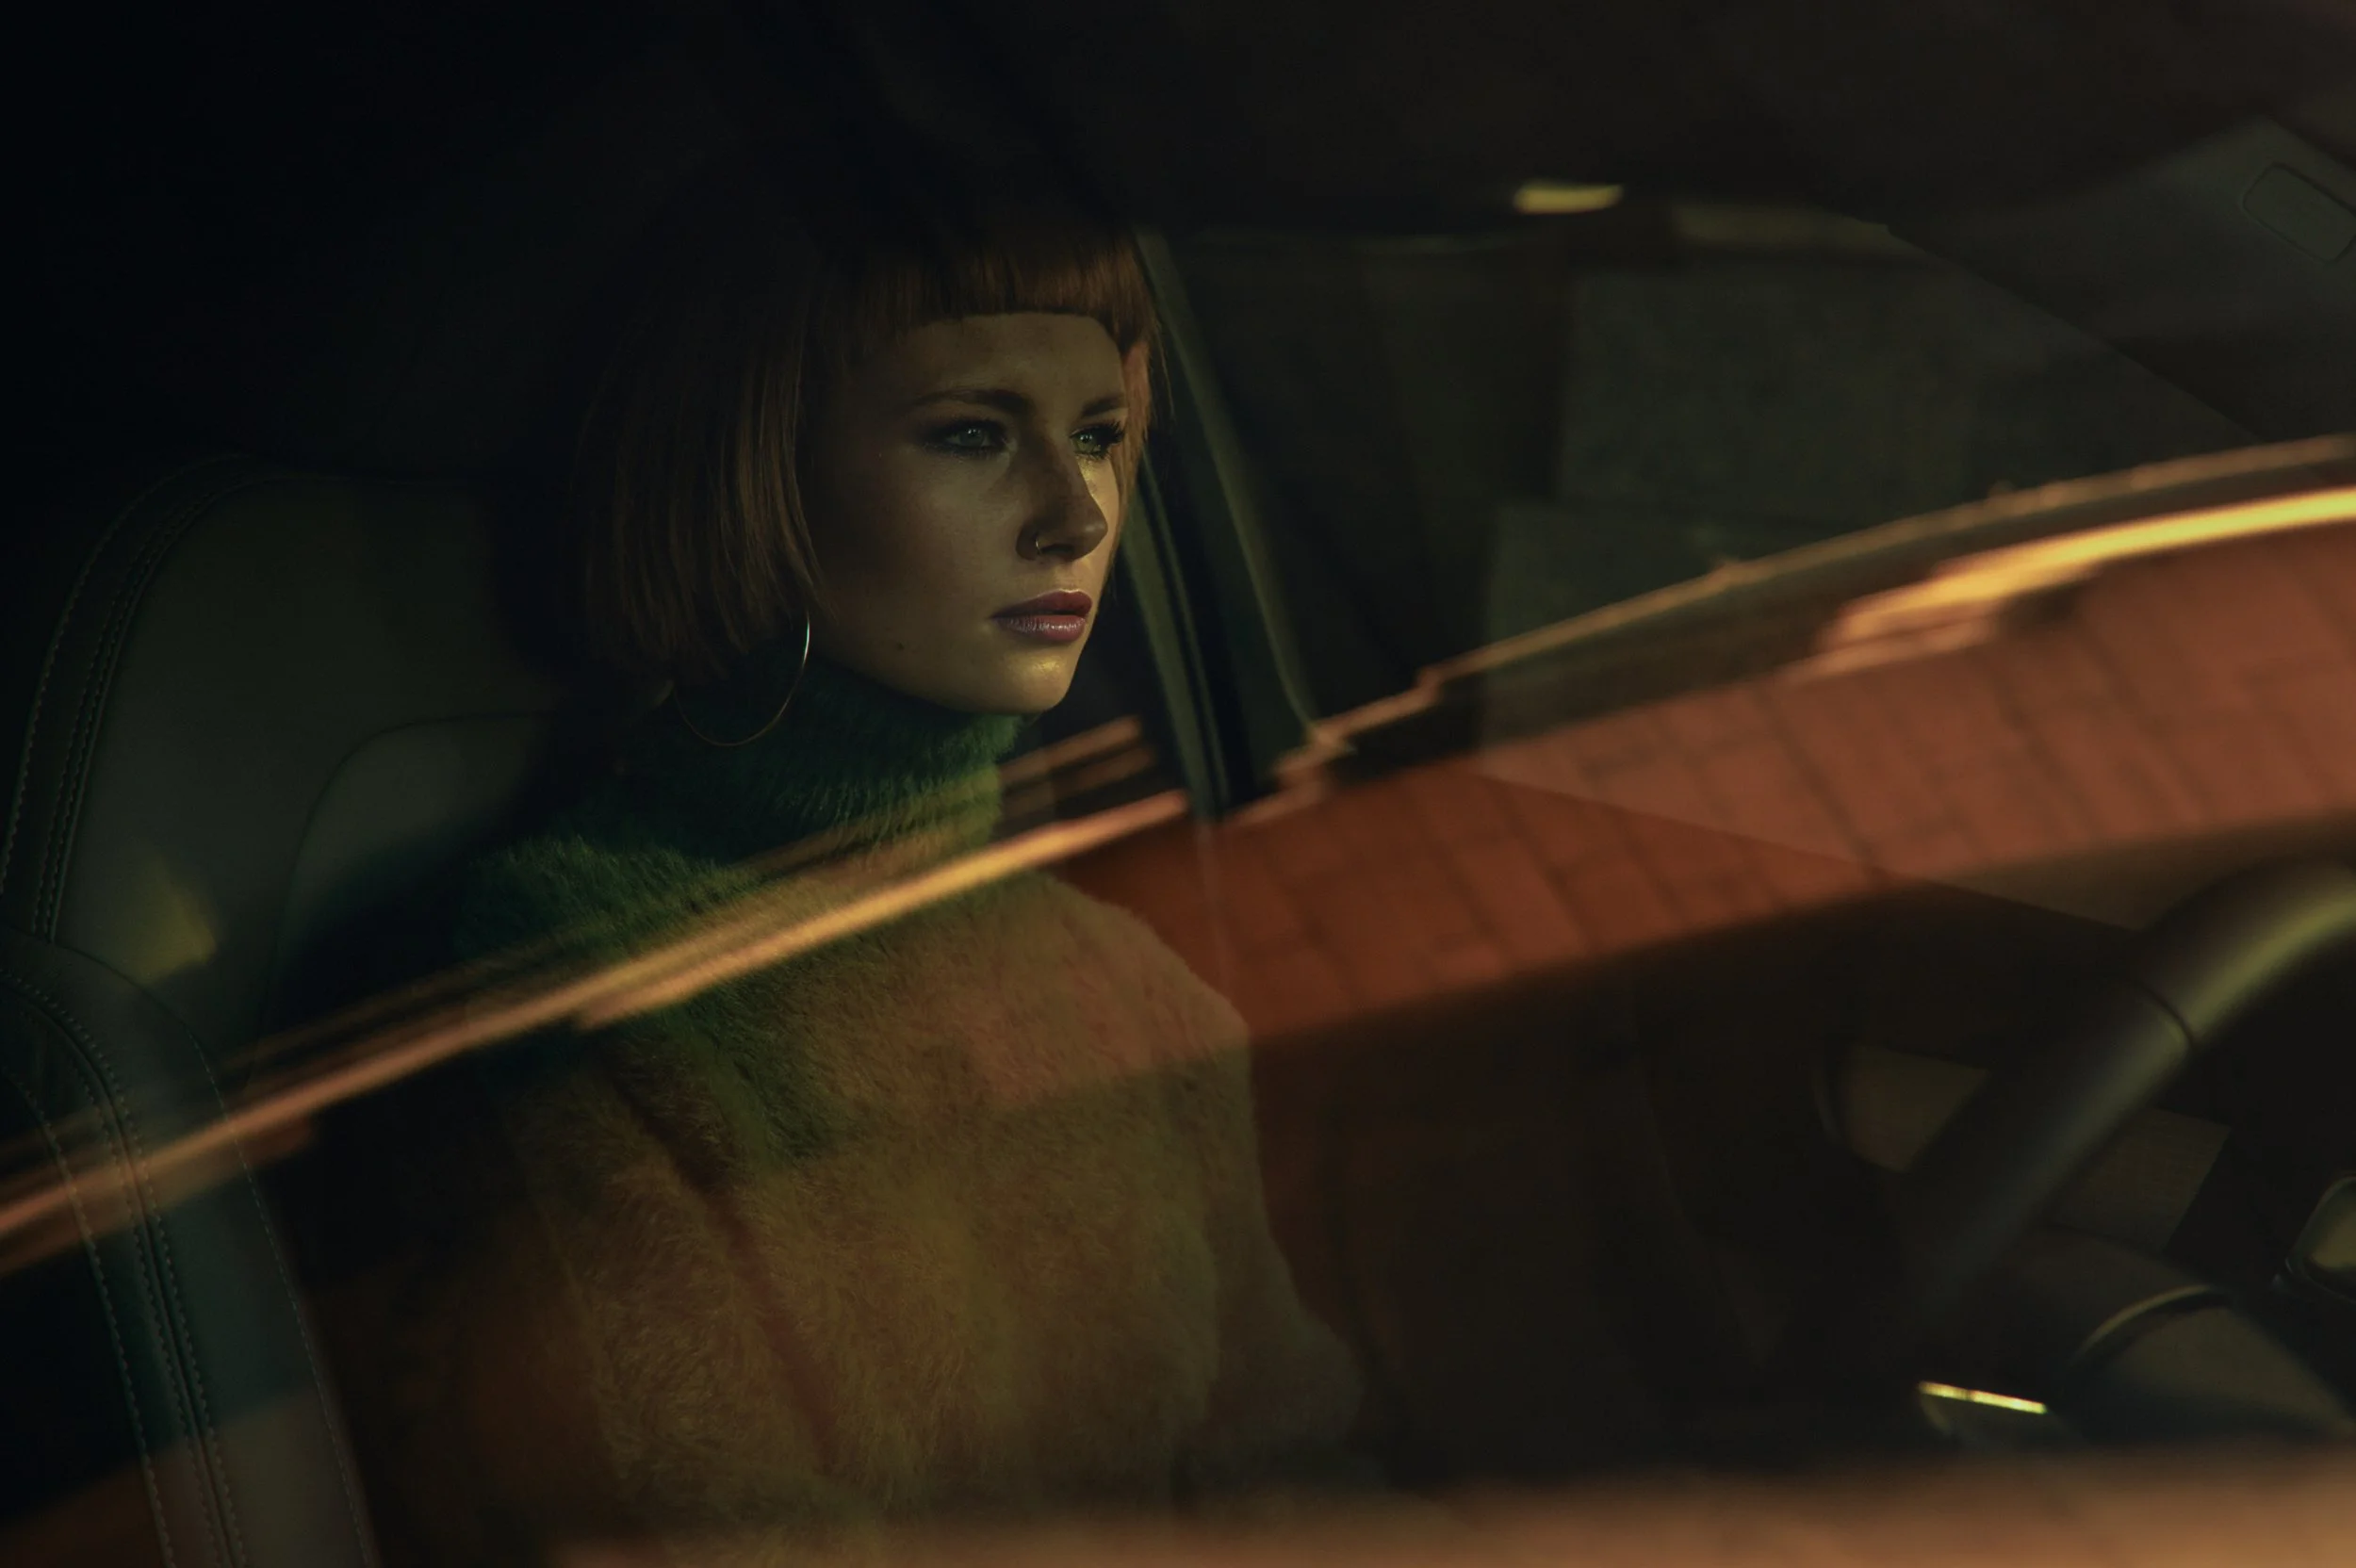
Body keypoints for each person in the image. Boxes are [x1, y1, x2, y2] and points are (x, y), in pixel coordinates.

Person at [316, 155, 1363, 1566]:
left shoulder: (1131, 992)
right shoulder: (557, 972)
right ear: (754, 477)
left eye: (1099, 433)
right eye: (972, 435)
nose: (1076, 511)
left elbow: (1296, 1488)